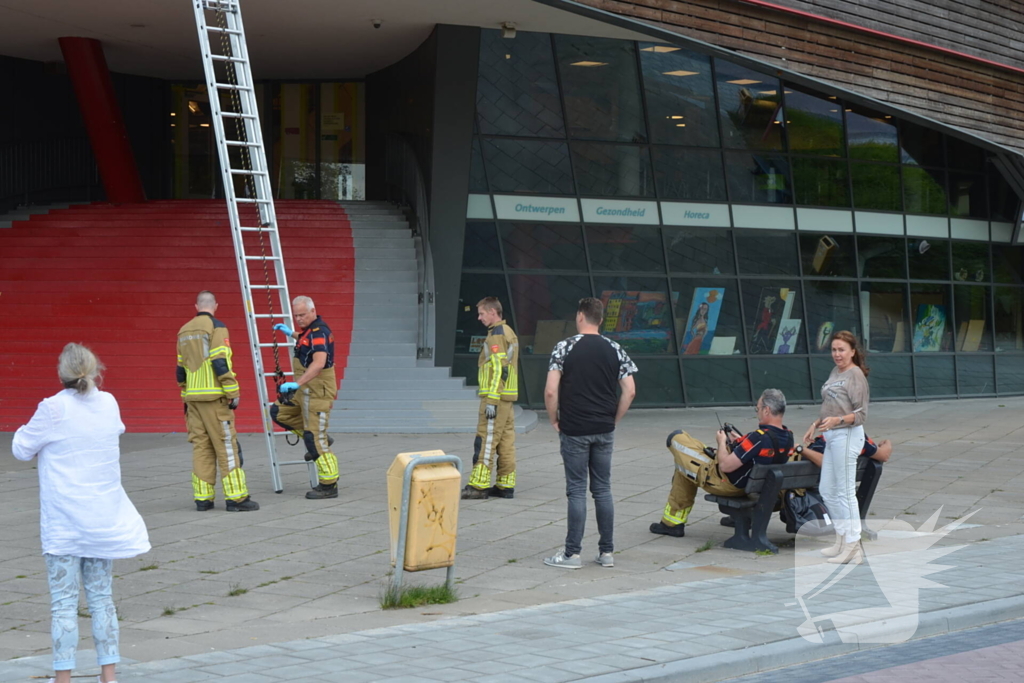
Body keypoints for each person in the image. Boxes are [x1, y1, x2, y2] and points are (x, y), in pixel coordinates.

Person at [12, 343, 150, 683]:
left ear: (61, 373)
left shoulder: (53, 408)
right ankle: (109, 676)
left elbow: (21, 448)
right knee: (102, 599)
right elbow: (114, 431)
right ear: (94, 369)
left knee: (63, 604)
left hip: (64, 524)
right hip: (103, 519)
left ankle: (63, 679)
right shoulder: (109, 402)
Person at [542, 297, 637, 569]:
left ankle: (572, 554)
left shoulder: (565, 347)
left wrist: (553, 419)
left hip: (574, 428)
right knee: (603, 489)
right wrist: (614, 419)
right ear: (600, 319)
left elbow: (550, 390)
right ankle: (606, 552)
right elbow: (630, 390)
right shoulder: (615, 348)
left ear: (581, 316)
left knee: (576, 491)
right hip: (603, 429)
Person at [650, 388, 794, 538]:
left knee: (678, 439)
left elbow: (725, 466)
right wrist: (738, 441)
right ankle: (673, 522)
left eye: (757, 408)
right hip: (756, 487)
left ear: (766, 410)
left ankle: (672, 523)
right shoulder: (788, 437)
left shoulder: (758, 438)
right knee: (687, 461)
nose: (757, 412)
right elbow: (760, 454)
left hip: (727, 484)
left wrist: (722, 442)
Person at [177, 291, 259, 512]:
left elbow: (180, 370)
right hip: (215, 399)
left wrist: (187, 393)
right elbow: (220, 362)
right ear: (215, 306)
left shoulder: (183, 330)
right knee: (226, 447)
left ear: (196, 306)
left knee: (201, 447)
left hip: (193, 400)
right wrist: (233, 392)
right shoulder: (217, 327)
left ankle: (203, 500)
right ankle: (237, 499)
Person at [803, 330, 870, 565]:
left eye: (841, 349)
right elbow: (830, 405)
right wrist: (815, 425)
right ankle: (842, 540)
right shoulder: (835, 372)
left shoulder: (855, 375)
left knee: (844, 492)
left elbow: (861, 415)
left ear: (853, 351)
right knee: (828, 490)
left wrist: (838, 421)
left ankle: (854, 546)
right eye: (834, 350)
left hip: (848, 436)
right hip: (831, 435)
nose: (837, 354)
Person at [271, 295, 340, 500]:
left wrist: (297, 383)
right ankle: (319, 437)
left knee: (314, 439)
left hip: (317, 390)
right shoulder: (309, 332)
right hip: (306, 390)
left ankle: (329, 484)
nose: (299, 319)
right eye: (296, 316)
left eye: (302, 314)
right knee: (279, 412)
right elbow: (306, 343)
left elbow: (318, 363)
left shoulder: (319, 332)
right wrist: (291, 333)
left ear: (312, 311)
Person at [462, 297, 520, 500]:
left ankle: (478, 485)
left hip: (495, 398)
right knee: (506, 442)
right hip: (508, 397)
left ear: (493, 312)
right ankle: (505, 485)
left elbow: (499, 369)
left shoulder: (496, 335)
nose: (479, 318)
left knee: (485, 440)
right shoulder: (508, 332)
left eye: (481, 313)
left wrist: (492, 400)